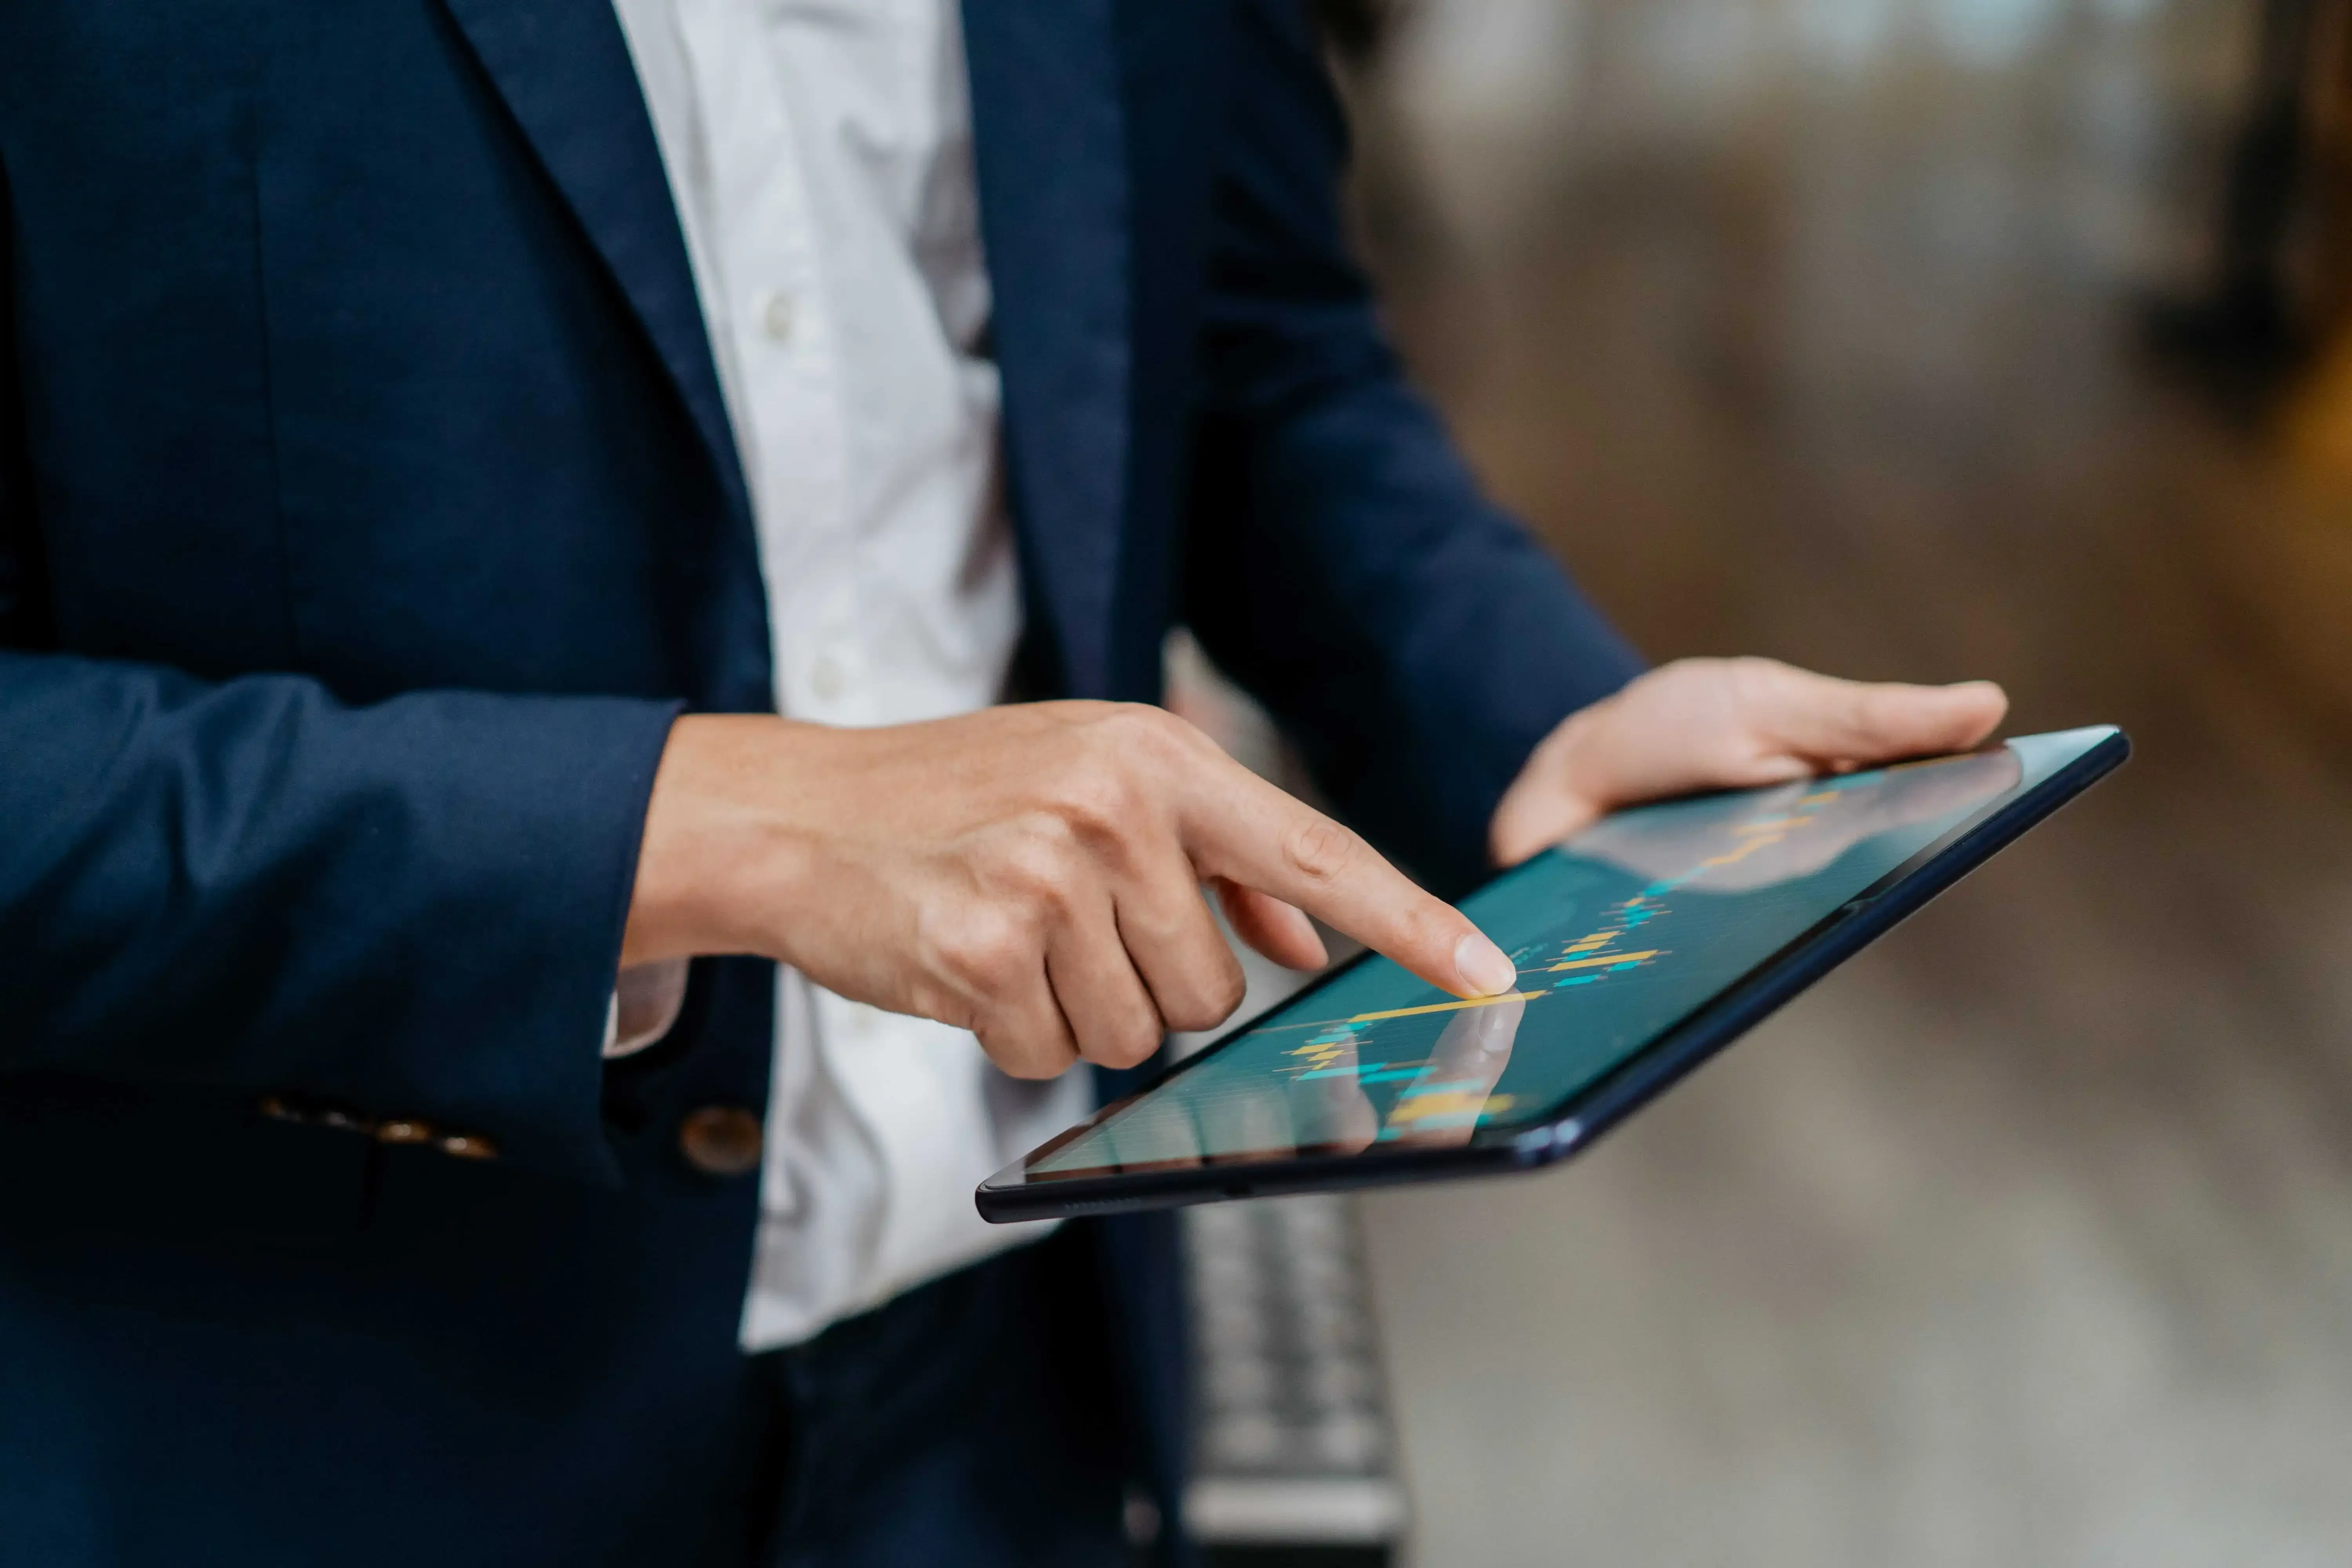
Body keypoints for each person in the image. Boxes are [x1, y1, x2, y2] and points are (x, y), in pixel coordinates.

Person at [0, 2, 2007, 1564]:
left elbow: (1245, 342)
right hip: (285, 1423)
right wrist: (703, 829)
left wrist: (1523, 712)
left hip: (1009, 1381)